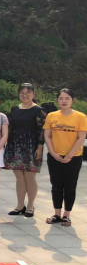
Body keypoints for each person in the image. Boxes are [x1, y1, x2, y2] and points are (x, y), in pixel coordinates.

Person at [44, 88, 87, 228]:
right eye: (61, 98)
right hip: (54, 157)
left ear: (72, 100)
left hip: (73, 157)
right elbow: (47, 135)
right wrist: (53, 152)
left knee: (70, 186)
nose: (64, 101)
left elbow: (81, 138)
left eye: (67, 98)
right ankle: (56, 213)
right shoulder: (51, 116)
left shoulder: (81, 117)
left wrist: (69, 155)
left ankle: (66, 215)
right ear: (57, 100)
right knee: (56, 186)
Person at [4, 83, 47, 217]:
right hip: (15, 146)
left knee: (30, 177)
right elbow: (9, 127)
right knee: (19, 177)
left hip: (31, 147)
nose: (25, 95)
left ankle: (30, 206)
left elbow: (43, 130)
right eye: (22, 93)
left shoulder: (38, 110)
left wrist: (40, 147)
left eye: (28, 93)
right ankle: (20, 205)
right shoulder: (15, 109)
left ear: (33, 94)